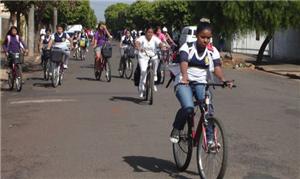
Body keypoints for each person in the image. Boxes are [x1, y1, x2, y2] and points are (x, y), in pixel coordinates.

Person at [169, 19, 233, 147]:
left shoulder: (212, 50)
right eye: (203, 37)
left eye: (208, 38)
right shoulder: (187, 47)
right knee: (188, 108)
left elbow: (216, 68)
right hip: (184, 82)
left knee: (207, 109)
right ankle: (177, 127)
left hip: (201, 83)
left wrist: (223, 79)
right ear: (196, 35)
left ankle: (210, 141)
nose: (206, 40)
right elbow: (183, 62)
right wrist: (185, 77)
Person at [135, 25, 164, 98]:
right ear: (145, 32)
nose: (150, 34)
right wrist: (139, 47)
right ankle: (141, 90)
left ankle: (154, 75)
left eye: (151, 32)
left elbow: (160, 43)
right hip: (143, 57)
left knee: (156, 59)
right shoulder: (142, 38)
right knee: (143, 72)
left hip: (153, 56)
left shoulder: (155, 38)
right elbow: (137, 42)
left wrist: (162, 47)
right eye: (148, 32)